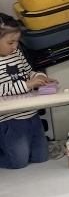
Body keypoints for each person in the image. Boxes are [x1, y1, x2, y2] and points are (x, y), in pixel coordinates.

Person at [0, 15, 56, 170]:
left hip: (31, 114)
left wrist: (40, 77)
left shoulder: (17, 54)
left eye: (17, 41)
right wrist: (26, 85)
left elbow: (29, 72)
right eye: (10, 42)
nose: (15, 46)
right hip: (10, 120)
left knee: (41, 157)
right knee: (17, 163)